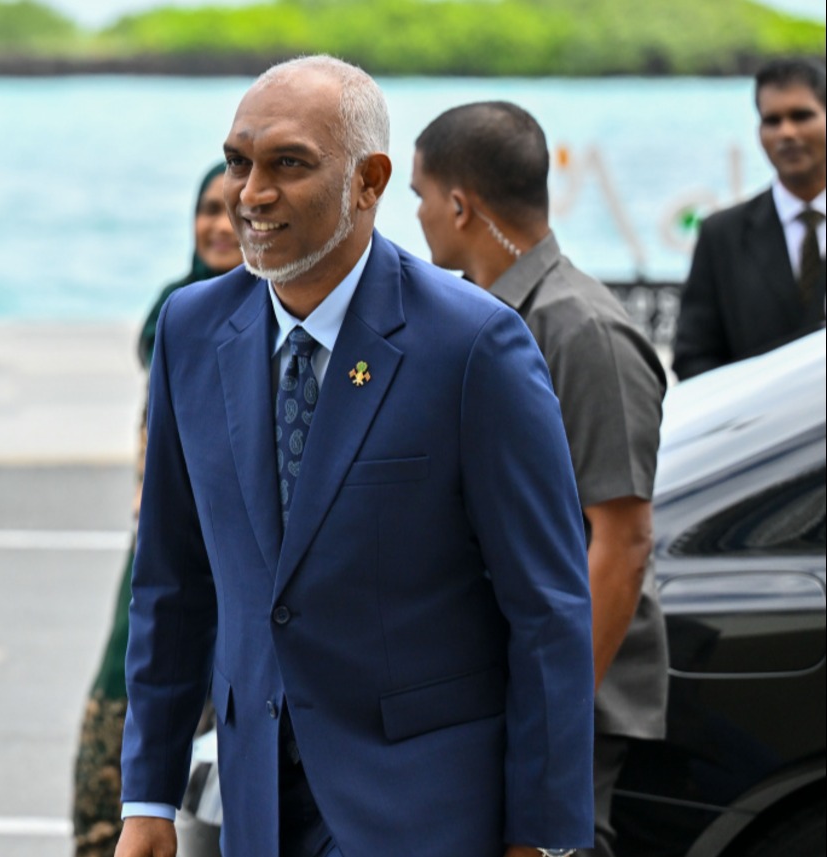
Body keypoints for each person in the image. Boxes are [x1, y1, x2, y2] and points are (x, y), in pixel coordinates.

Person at [116, 55, 594, 857]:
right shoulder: (190, 330)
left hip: (426, 813)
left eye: (287, 164)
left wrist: (539, 837)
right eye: (238, 162)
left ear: (369, 181)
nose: (250, 194)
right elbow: (171, 582)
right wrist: (148, 797)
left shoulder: (474, 345)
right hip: (256, 809)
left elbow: (547, 607)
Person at [411, 101, 669, 857]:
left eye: (421, 196)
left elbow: (622, 541)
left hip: (565, 699)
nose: (418, 216)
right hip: (497, 683)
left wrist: (552, 716)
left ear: (460, 206)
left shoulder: (581, 330)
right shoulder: (485, 318)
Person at [72, 163, 241, 857]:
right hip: (162, 554)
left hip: (235, 569)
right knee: (122, 702)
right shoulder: (175, 317)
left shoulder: (269, 329)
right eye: (208, 209)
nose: (220, 225)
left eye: (234, 211)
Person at [673, 57, 826, 379]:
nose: (787, 132)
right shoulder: (721, 236)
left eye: (801, 116)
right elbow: (694, 357)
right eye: (772, 120)